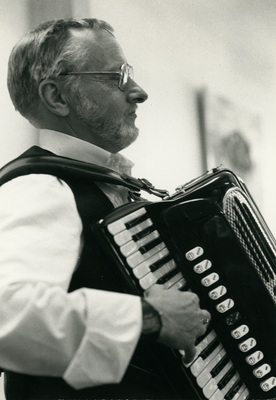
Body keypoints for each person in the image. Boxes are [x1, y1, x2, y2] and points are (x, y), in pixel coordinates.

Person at [0, 18, 211, 399]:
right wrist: (149, 317)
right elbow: (7, 316)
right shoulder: (43, 188)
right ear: (57, 97)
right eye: (116, 77)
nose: (138, 92)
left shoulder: (109, 187)